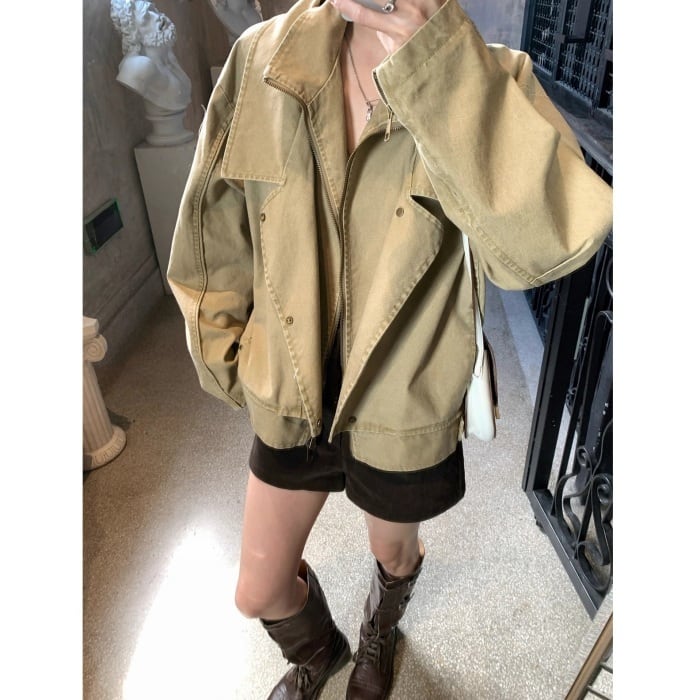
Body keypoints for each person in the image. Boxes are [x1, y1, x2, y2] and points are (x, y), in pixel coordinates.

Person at [167, 0, 613, 697]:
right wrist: (229, 356)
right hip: (291, 386)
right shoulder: (261, 59)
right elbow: (212, 228)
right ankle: (321, 649)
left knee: (393, 553)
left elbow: (547, 246)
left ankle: (383, 624)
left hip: (402, 404)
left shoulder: (492, 79)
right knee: (257, 588)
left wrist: (441, 68)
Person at [110, 0, 193, 144]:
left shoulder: (169, 59)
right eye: (147, 17)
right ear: (134, 31)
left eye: (154, 11)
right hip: (167, 137)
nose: (159, 17)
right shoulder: (140, 67)